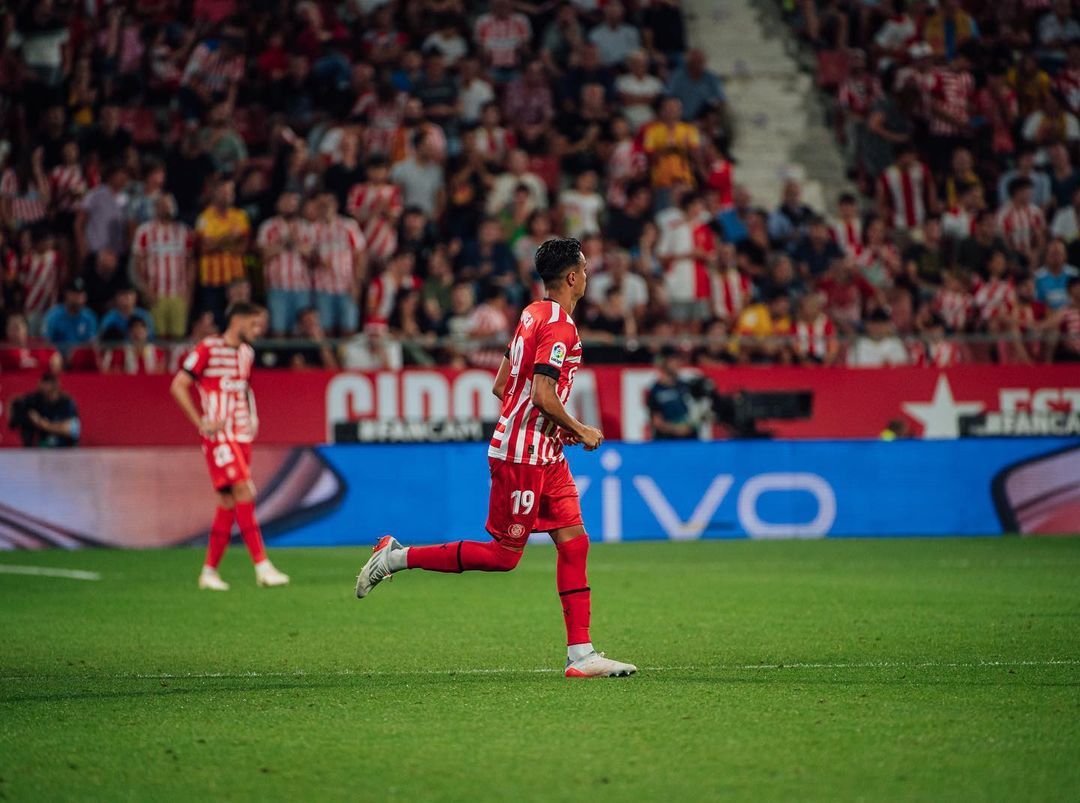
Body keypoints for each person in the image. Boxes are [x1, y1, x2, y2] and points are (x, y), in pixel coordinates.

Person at [355, 237, 636, 679]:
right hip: (522, 455)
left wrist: (556, 428)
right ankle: (394, 557)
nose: (586, 275)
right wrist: (579, 427)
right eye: (583, 268)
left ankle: (581, 655)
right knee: (504, 556)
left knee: (574, 540)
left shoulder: (530, 313)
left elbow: (503, 385)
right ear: (572, 277)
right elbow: (542, 393)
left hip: (545, 452)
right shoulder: (561, 326)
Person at [169, 302, 290, 591]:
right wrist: (201, 421)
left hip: (242, 435)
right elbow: (178, 385)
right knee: (244, 490)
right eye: (254, 323)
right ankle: (262, 566)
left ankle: (209, 572)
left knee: (227, 503)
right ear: (238, 320)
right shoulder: (207, 348)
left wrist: (253, 415)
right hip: (219, 435)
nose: (258, 330)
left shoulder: (247, 354)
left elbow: (245, 388)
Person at [132, 194, 195, 340]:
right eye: (163, 205)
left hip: (178, 293)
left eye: (170, 205)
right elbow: (137, 264)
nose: (167, 209)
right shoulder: (145, 232)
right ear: (155, 208)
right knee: (157, 338)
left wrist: (189, 291)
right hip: (155, 293)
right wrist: (146, 290)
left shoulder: (183, 232)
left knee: (178, 338)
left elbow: (191, 262)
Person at [8, 373, 80, 448]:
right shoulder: (36, 400)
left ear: (56, 387)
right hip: (44, 447)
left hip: (66, 447)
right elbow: (15, 402)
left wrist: (43, 423)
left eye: (50, 391)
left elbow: (72, 430)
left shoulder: (66, 402)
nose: (47, 393)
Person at [647, 347, 696, 439]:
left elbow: (696, 412)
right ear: (664, 363)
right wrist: (676, 429)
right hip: (666, 443)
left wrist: (691, 426)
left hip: (688, 440)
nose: (677, 364)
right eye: (673, 361)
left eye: (678, 361)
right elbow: (656, 421)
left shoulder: (685, 387)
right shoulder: (656, 390)